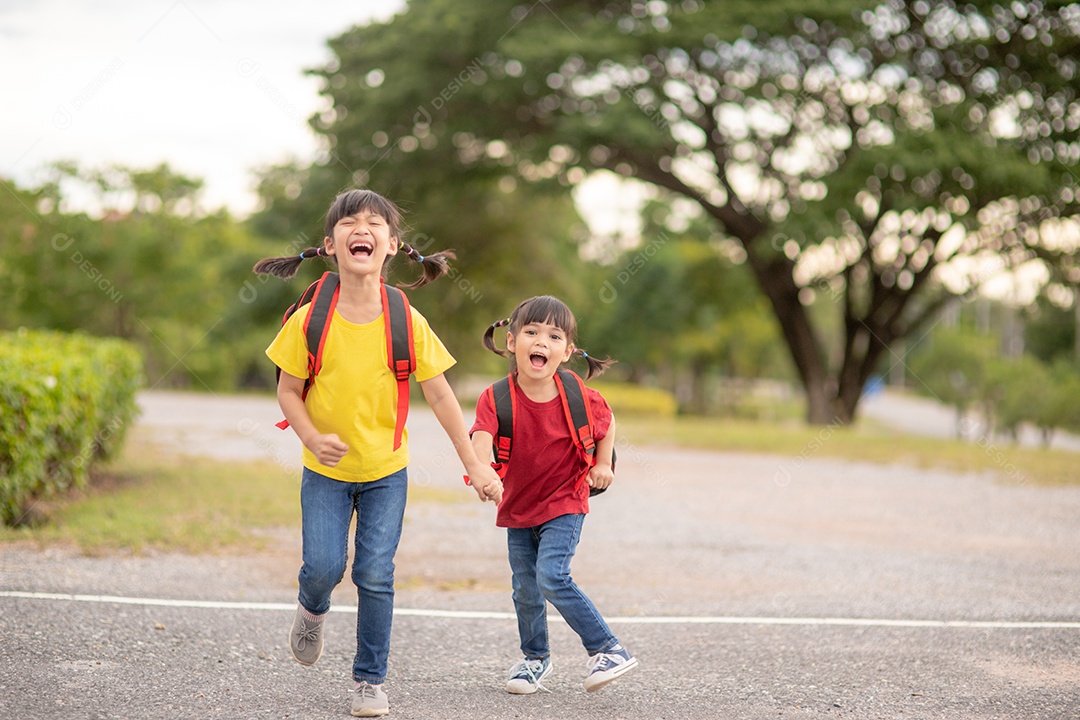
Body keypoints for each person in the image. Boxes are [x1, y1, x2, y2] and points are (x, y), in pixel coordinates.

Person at [256, 188, 503, 718]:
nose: (360, 229)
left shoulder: (405, 320)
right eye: (349, 223)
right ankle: (312, 607)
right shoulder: (311, 318)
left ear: (392, 245)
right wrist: (310, 437)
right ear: (330, 243)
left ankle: (369, 680)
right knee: (323, 567)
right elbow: (287, 391)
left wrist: (475, 464)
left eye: (374, 223)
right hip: (324, 470)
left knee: (375, 573)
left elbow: (440, 394)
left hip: (386, 471)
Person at [470, 295, 638, 695]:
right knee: (525, 589)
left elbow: (607, 420)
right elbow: (480, 436)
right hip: (518, 505)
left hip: (565, 500)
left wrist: (603, 464)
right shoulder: (497, 397)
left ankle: (607, 649)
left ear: (567, 352)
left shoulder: (575, 394)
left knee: (551, 574)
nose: (541, 341)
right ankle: (535, 659)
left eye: (554, 335)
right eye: (531, 332)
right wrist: (482, 473)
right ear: (512, 342)